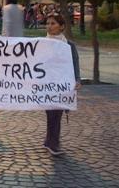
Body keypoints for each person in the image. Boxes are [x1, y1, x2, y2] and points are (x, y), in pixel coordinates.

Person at [44, 13, 81, 156]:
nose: (49, 26)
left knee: (56, 113)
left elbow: (75, 63)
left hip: (62, 84)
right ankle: (50, 141)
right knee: (51, 113)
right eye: (47, 23)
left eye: (53, 23)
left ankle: (52, 143)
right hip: (46, 84)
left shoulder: (69, 45)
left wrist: (77, 80)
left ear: (62, 26)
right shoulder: (41, 43)